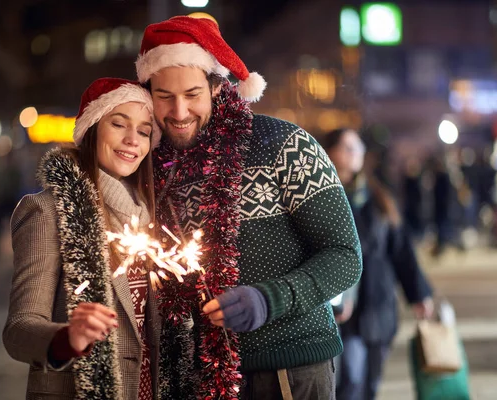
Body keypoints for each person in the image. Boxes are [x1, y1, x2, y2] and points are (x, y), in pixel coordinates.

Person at [136, 16, 363, 399]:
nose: (178, 111)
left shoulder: (284, 144)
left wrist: (267, 299)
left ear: (216, 87)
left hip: (292, 368)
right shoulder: (156, 170)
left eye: (192, 94)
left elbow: (345, 256)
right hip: (201, 377)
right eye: (164, 97)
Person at [3, 78, 162, 400]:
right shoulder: (47, 211)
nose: (132, 139)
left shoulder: (156, 218)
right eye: (118, 124)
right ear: (92, 129)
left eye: (144, 131)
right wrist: (67, 337)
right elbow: (19, 330)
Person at [322, 128, 434, 400]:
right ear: (329, 153)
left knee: (371, 385)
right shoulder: (321, 197)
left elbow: (401, 249)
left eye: (358, 147)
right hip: (345, 311)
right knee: (350, 381)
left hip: (381, 305)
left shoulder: (378, 195)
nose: (355, 153)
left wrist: (419, 294)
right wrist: (333, 299)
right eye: (347, 147)